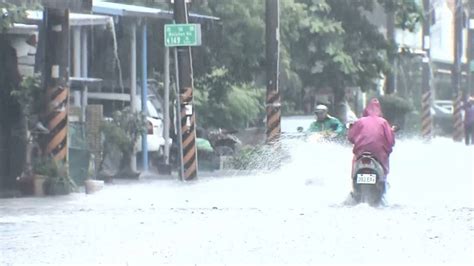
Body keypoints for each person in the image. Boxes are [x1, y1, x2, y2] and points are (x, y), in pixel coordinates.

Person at [347, 98, 395, 180]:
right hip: (379, 152)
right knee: (385, 163)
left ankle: (353, 179)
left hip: (361, 151)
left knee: (355, 160)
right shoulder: (383, 122)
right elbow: (391, 141)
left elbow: (351, 137)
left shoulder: (360, 121)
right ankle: (384, 179)